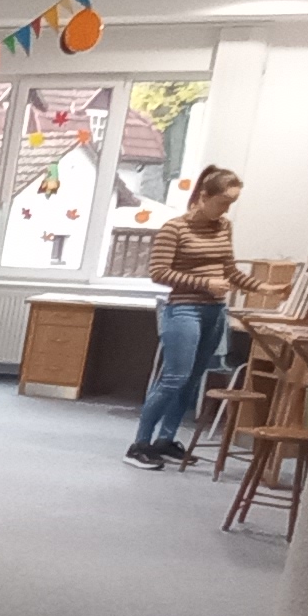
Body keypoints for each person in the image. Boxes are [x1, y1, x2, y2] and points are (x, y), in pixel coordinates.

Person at [126, 165, 273, 470]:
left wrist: (262, 287)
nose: (226, 209)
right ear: (203, 197)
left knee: (193, 381)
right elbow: (159, 272)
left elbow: (229, 271)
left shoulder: (224, 227)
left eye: (231, 203)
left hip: (215, 311)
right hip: (184, 309)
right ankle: (139, 444)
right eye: (222, 202)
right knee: (174, 378)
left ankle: (166, 441)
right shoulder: (175, 228)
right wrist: (205, 283)